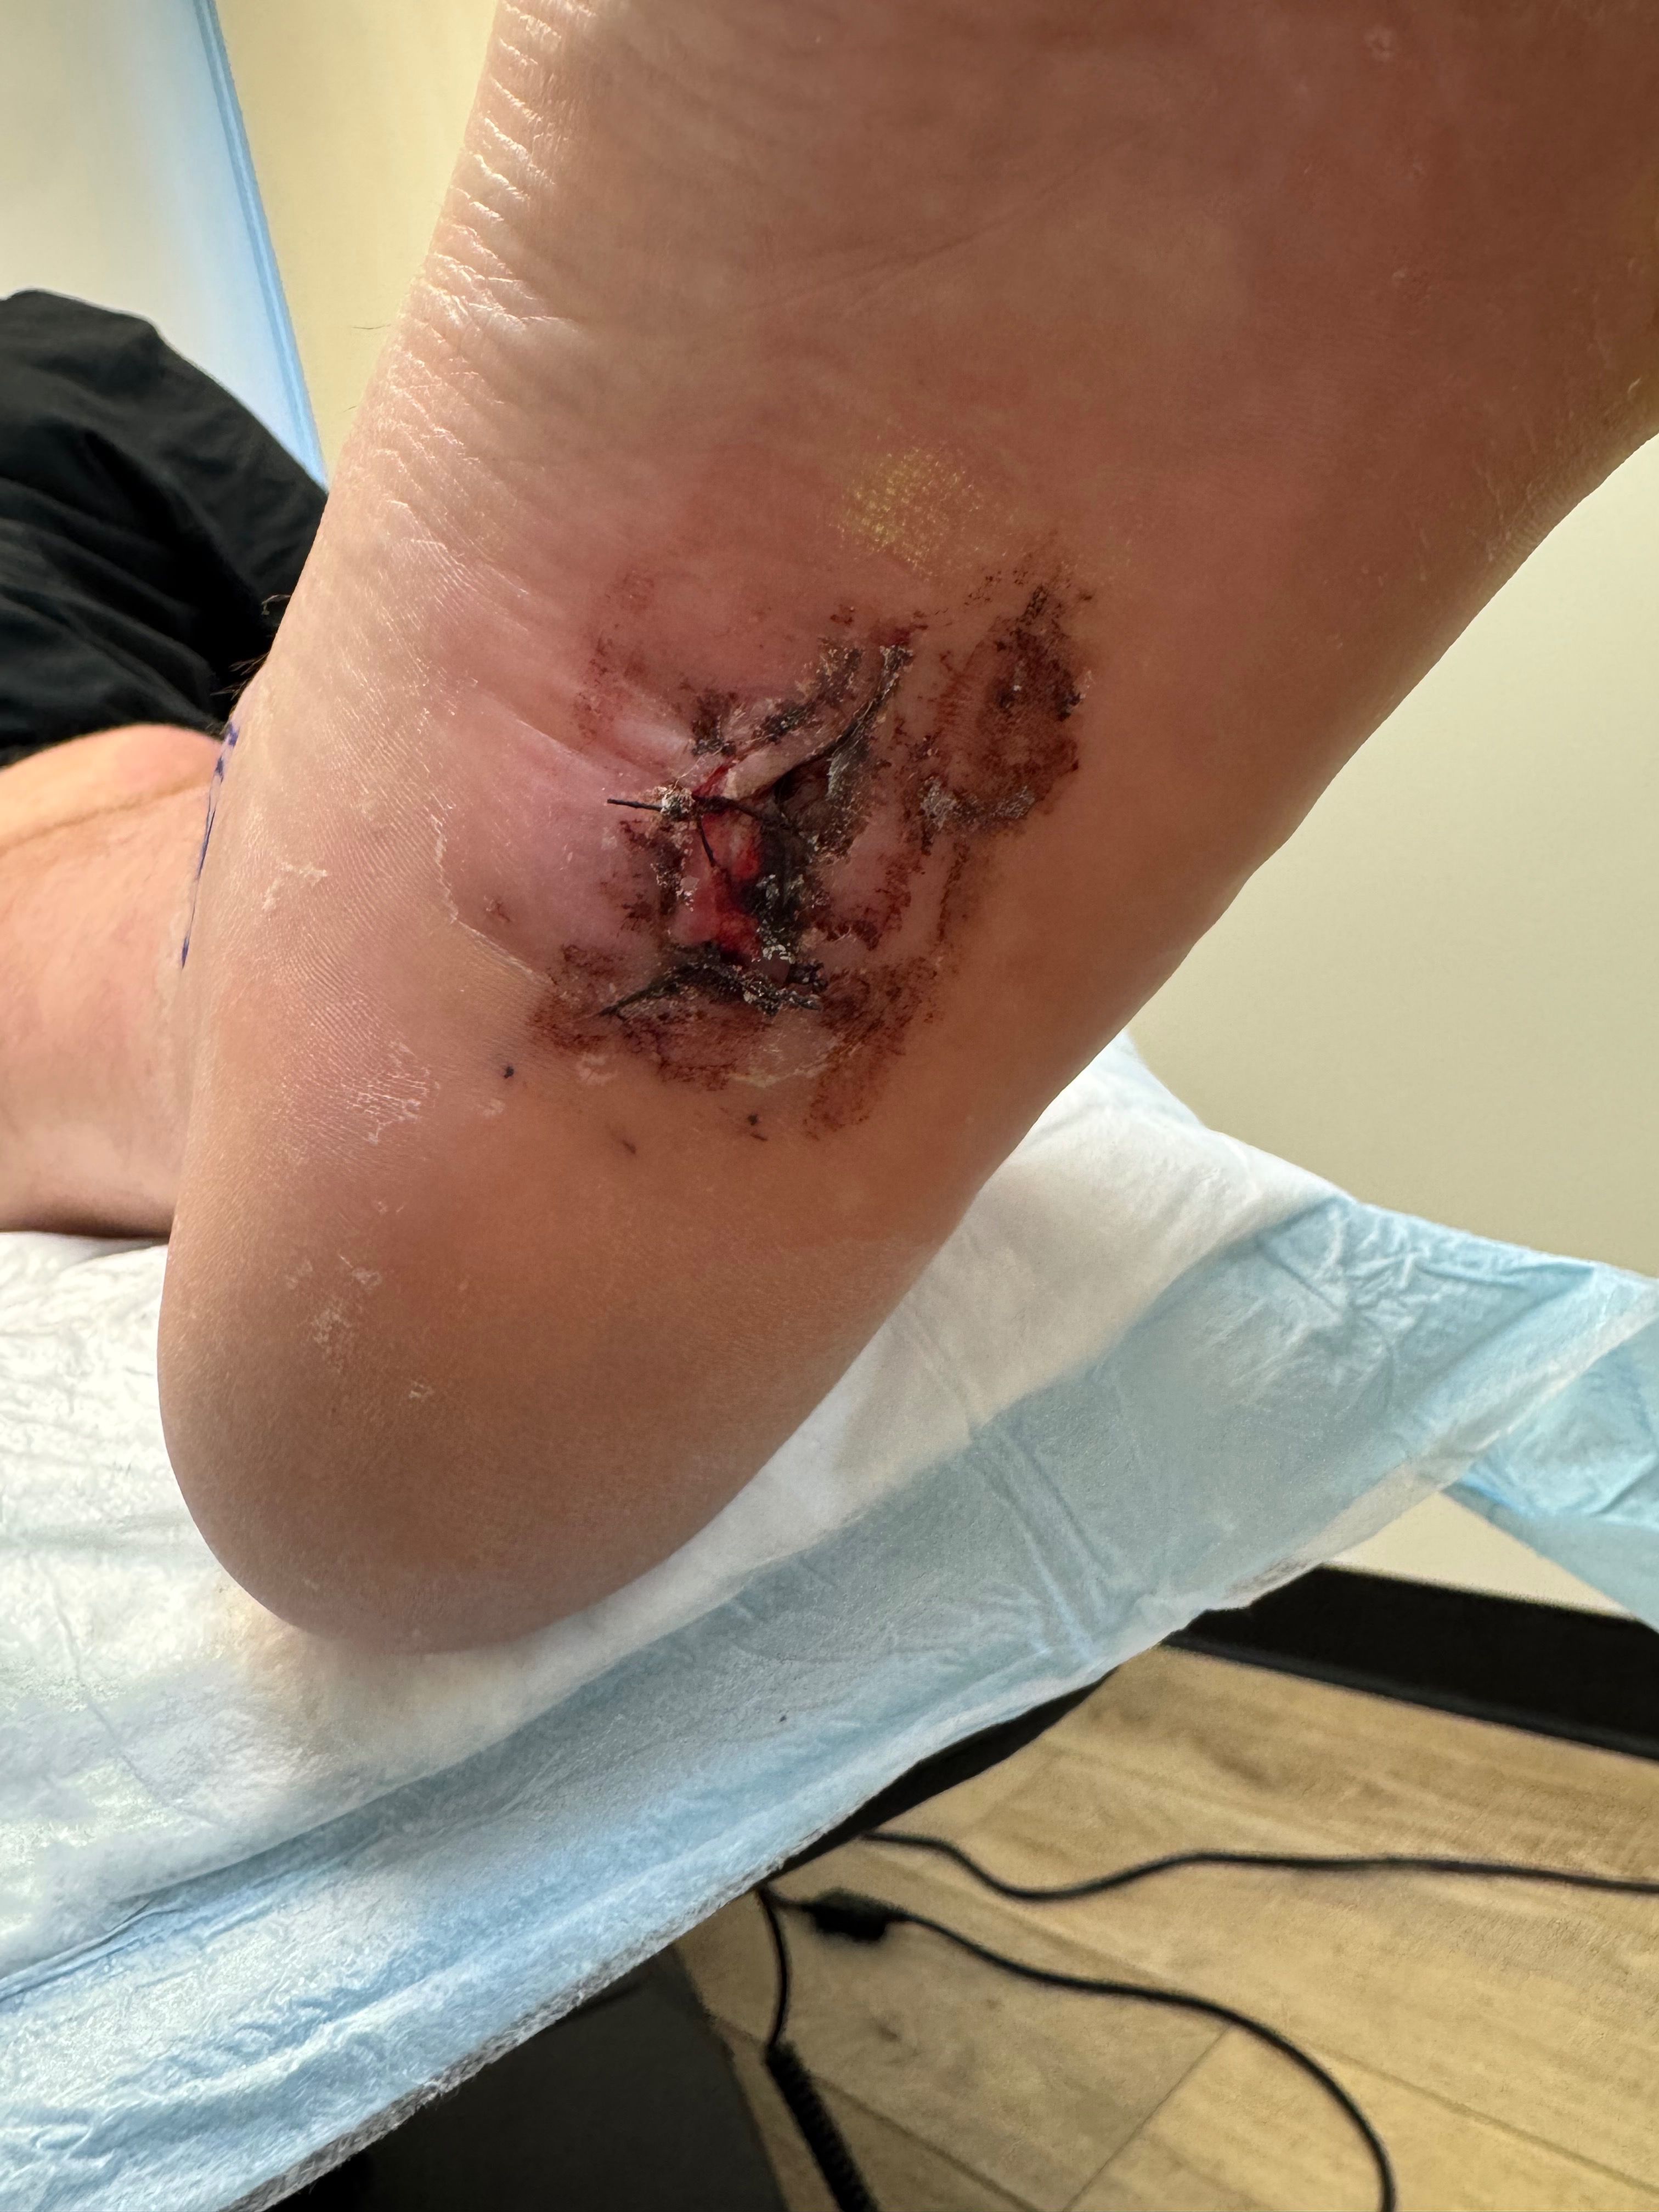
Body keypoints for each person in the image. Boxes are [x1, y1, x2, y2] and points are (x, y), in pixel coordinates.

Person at [6, 0, 1657, 1653]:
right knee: (238, 749)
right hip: (91, 462)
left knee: (131, 823)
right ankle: (265, 940)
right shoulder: (94, 369)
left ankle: (249, 975)